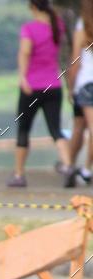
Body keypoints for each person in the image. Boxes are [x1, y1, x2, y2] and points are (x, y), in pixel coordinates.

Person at [8, 0, 71, 187]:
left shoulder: (30, 28)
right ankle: (68, 166)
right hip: (54, 86)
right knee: (56, 130)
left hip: (32, 86)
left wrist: (22, 77)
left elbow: (25, 53)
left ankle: (19, 175)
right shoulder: (57, 26)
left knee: (23, 130)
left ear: (33, 7)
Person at [65, 3, 93, 186]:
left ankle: (74, 167)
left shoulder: (82, 27)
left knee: (80, 127)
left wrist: (70, 87)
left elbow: (75, 62)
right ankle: (81, 168)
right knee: (82, 126)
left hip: (85, 84)